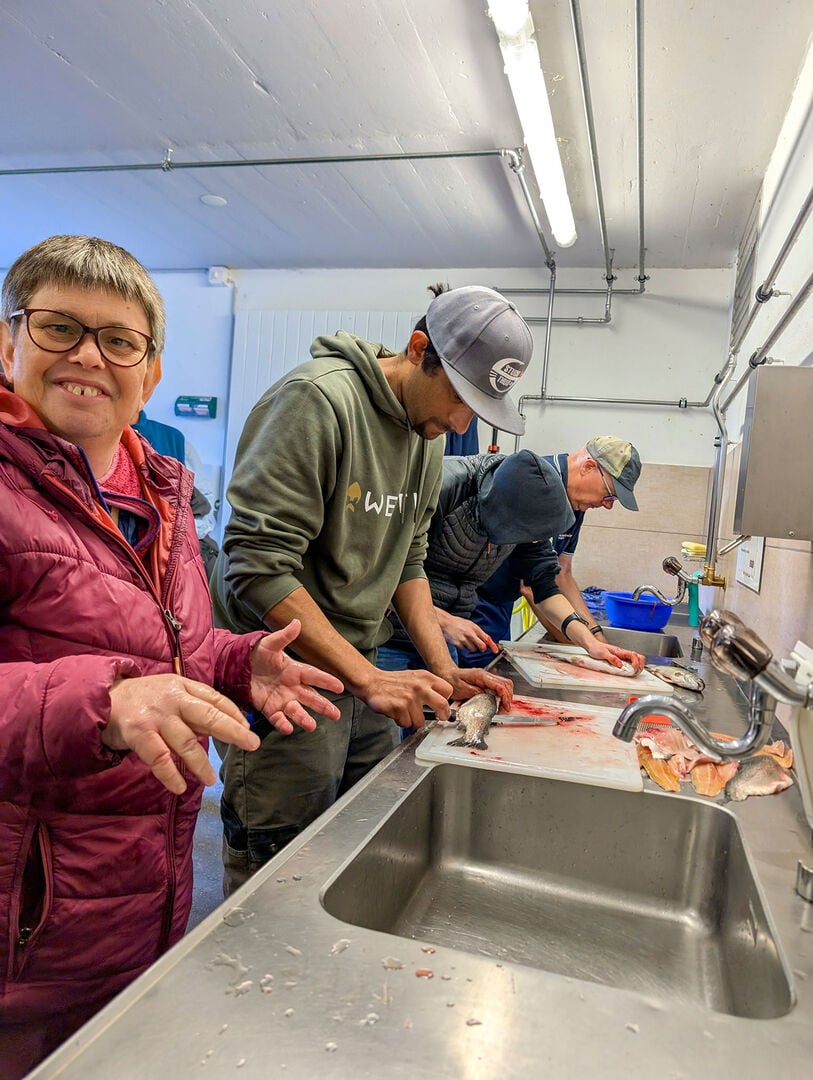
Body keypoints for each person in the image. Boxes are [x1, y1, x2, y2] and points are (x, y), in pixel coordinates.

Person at [0, 235, 343, 1077]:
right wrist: (103, 701)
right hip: (24, 930)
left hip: (137, 907)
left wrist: (232, 661)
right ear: (7, 343)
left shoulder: (158, 488)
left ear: (148, 373)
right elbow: (112, 679)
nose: (88, 355)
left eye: (118, 340)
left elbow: (154, 641)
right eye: (57, 328)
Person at [210, 283, 533, 893]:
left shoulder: (425, 435)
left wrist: (445, 672)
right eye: (460, 399)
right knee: (278, 873)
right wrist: (369, 677)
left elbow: (407, 563)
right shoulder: (316, 402)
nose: (461, 422)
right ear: (419, 350)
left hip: (361, 676)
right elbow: (256, 563)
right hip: (289, 678)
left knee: (357, 849)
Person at [376, 449, 645, 674]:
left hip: (442, 637)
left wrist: (589, 641)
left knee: (438, 724)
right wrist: (444, 621)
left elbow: (543, 586)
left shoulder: (531, 506)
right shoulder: (443, 489)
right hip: (387, 637)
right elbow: (379, 577)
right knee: (391, 731)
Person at [458, 436, 643, 666]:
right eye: (609, 494)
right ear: (588, 467)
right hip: (471, 604)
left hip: (499, 608)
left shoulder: (578, 502)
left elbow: (557, 575)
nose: (608, 504)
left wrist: (594, 637)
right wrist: (579, 646)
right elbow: (532, 588)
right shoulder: (534, 485)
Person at [133, 406, 220, 574]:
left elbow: (205, 510)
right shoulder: (86, 439)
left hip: (173, 564)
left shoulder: (173, 440)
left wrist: (172, 535)